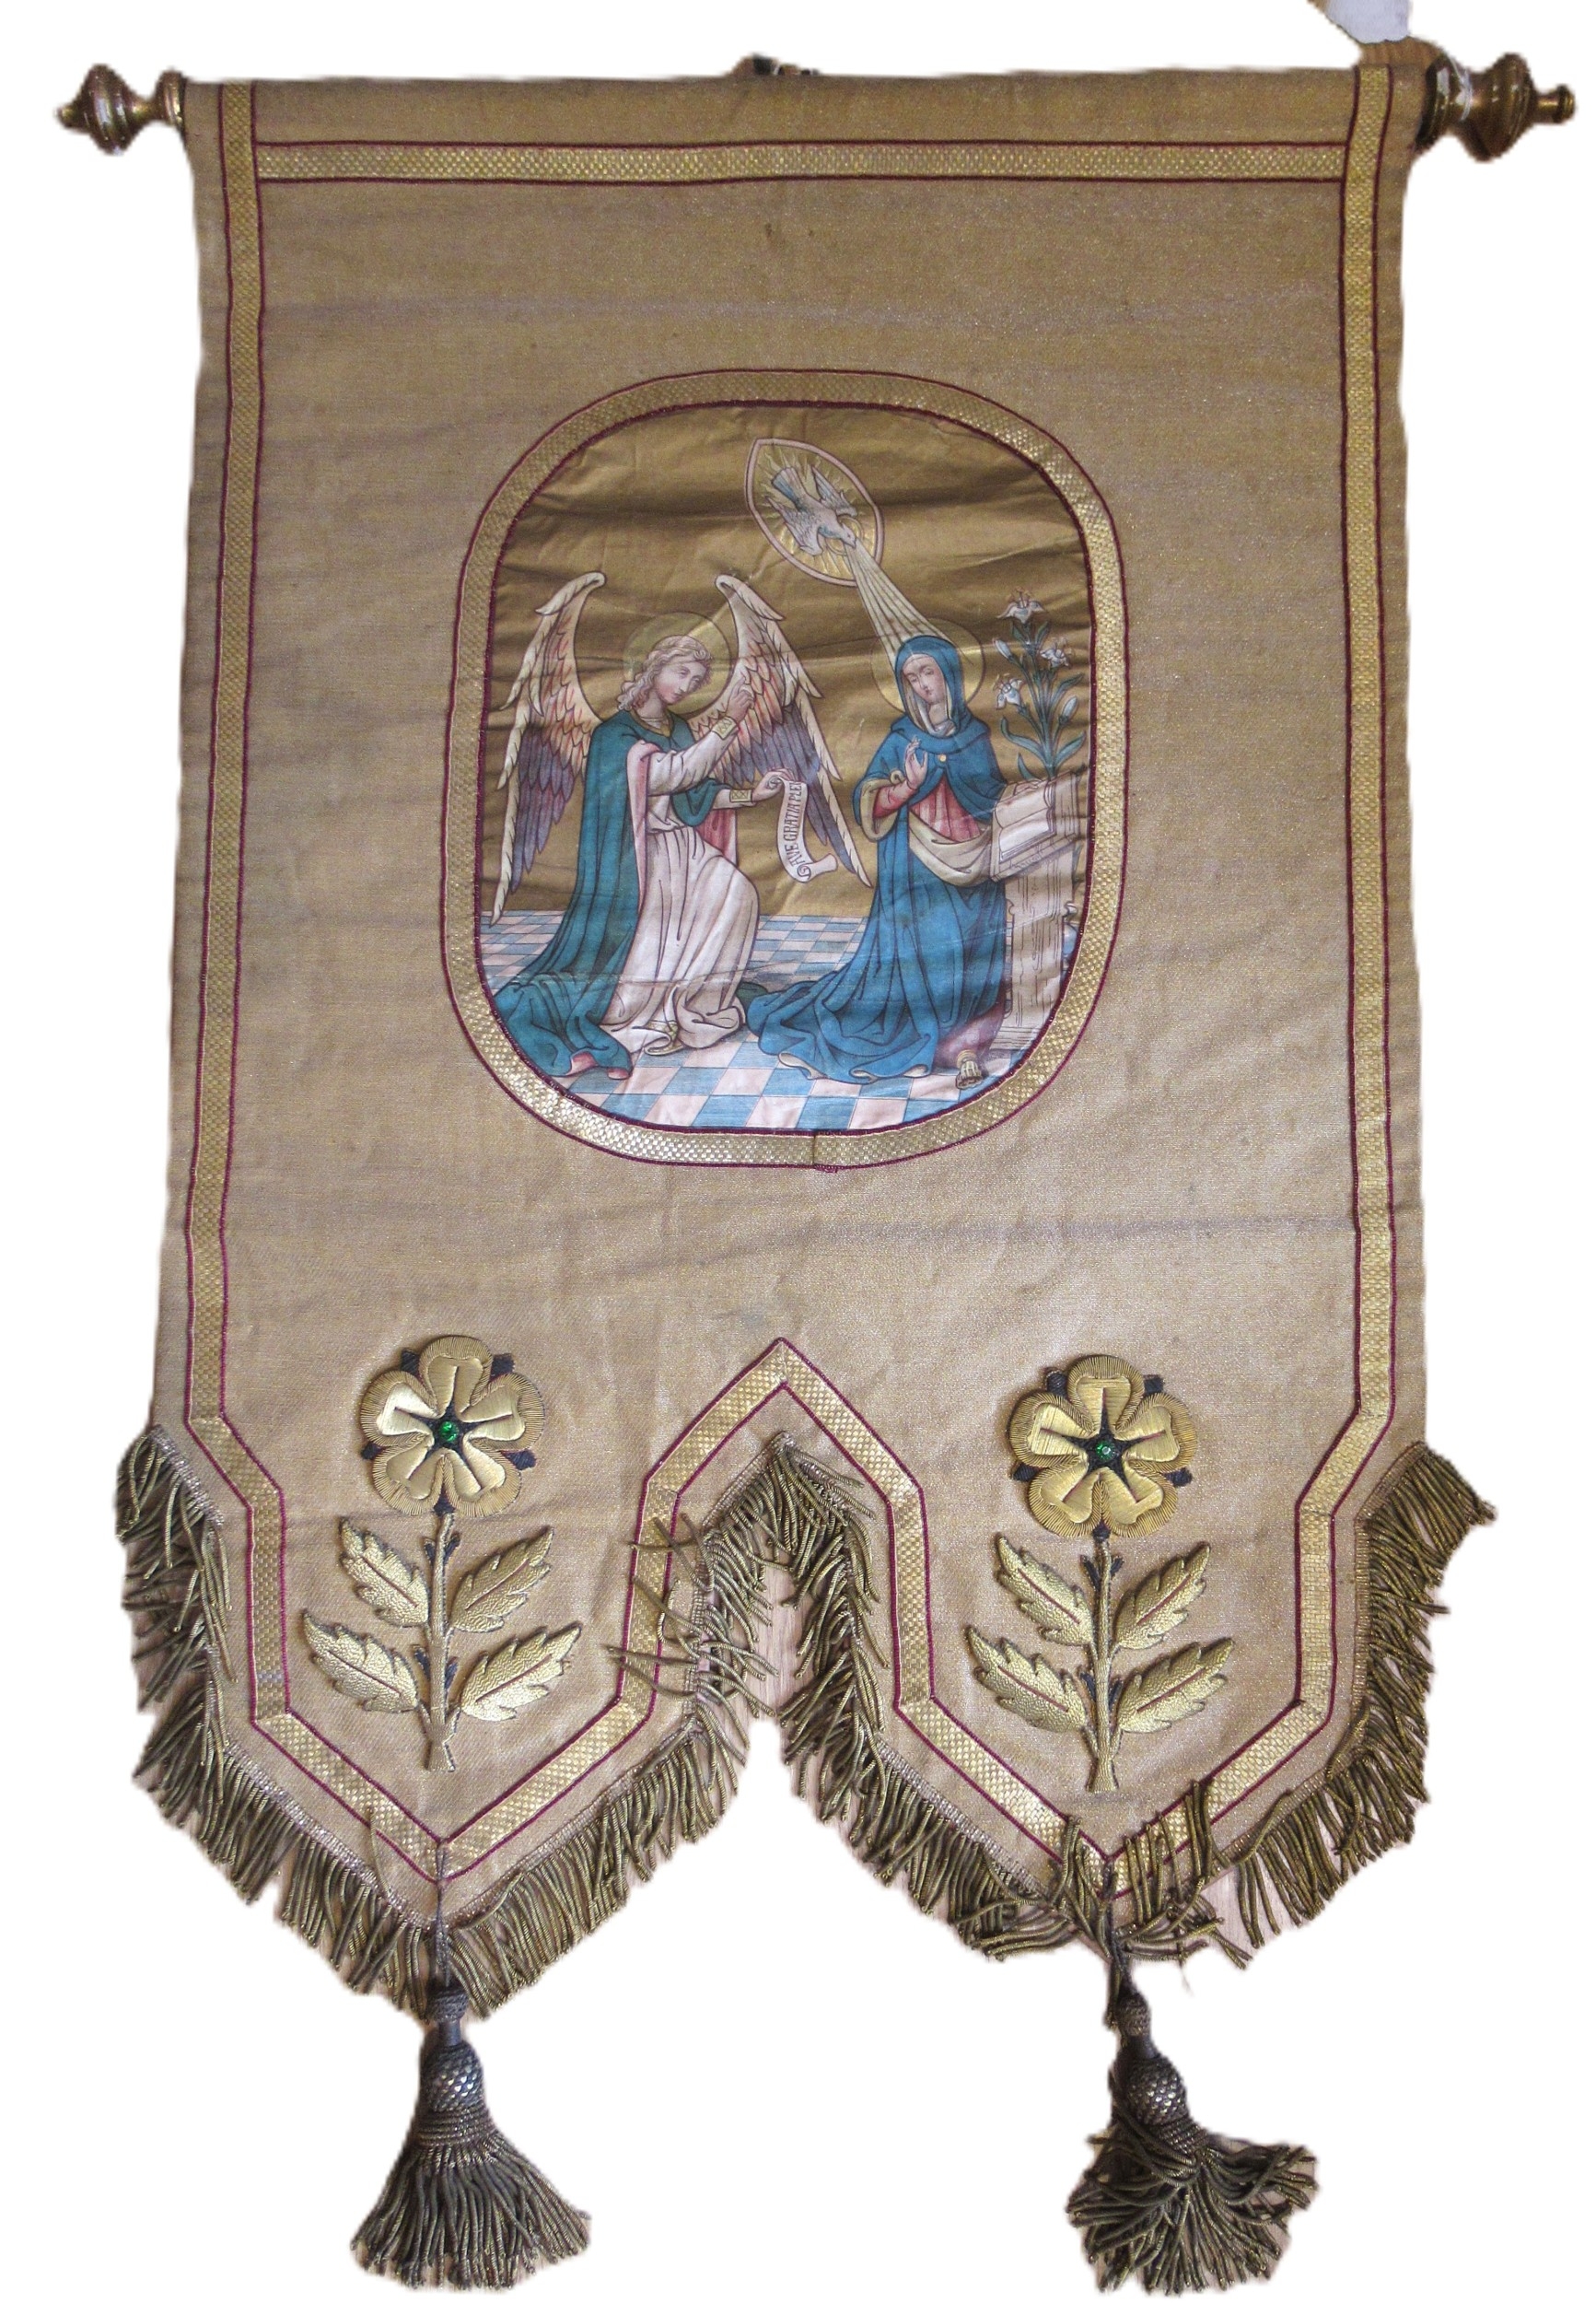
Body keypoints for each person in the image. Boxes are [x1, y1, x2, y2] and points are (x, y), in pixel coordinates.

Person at [495, 636, 778, 1081]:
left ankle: (694, 999)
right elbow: (671, 774)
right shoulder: (614, 736)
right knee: (646, 944)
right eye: (681, 673)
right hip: (638, 861)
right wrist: (728, 724)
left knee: (739, 891)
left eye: (696, 681)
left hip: (681, 846)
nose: (686, 686)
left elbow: (693, 793)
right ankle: (645, 1007)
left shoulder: (678, 729)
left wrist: (749, 795)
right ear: (654, 667)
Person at [748, 636, 1007, 1085]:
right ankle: (934, 1035)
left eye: (927, 672)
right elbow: (869, 802)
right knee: (932, 945)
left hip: (976, 867)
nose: (921, 685)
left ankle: (963, 1037)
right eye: (911, 678)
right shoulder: (902, 739)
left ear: (949, 672)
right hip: (919, 872)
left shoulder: (975, 737)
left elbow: (991, 797)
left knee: (975, 951)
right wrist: (908, 787)